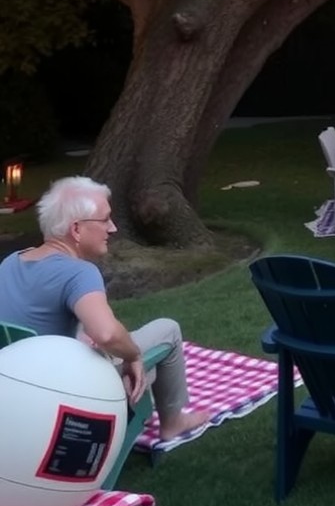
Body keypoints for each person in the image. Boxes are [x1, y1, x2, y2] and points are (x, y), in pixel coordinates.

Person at [0, 176, 208, 442]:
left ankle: (131, 393)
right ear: (76, 229)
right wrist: (132, 356)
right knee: (167, 330)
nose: (112, 228)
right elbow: (107, 334)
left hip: (17, 391)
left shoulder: (10, 263)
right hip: (59, 393)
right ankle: (173, 422)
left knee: (142, 371)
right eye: (105, 219)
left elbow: (35, 318)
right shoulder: (78, 273)